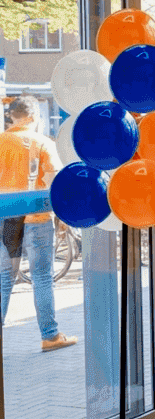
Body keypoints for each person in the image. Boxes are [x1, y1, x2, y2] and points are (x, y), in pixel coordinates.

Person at [0, 96, 73, 351]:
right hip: (37, 220)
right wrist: (64, 218)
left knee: (4, 278)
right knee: (42, 277)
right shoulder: (43, 143)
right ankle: (50, 336)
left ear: (12, 117)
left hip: (5, 220)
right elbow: (56, 184)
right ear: (32, 117)